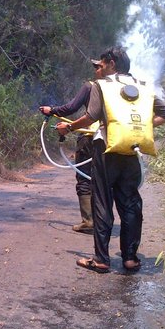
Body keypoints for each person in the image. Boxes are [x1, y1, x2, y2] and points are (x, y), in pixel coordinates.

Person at [57, 46, 165, 273]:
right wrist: (140, 126)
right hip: (132, 151)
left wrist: (68, 128)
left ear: (111, 63)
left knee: (102, 202)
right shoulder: (143, 87)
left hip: (106, 150)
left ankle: (101, 259)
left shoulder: (103, 86)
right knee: (130, 203)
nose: (98, 69)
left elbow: (91, 116)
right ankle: (130, 258)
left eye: (101, 64)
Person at [39, 61, 102, 234]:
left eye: (99, 67)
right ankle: (103, 220)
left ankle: (89, 221)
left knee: (84, 177)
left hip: (90, 137)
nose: (96, 70)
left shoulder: (91, 86)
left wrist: (51, 110)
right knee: (103, 180)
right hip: (111, 139)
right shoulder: (120, 89)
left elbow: (71, 108)